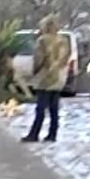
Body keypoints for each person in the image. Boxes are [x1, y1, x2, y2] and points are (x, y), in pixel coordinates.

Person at [21, 14, 71, 142]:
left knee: (41, 108)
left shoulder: (42, 40)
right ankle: (52, 134)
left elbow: (39, 59)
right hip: (58, 77)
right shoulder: (63, 40)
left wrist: (34, 72)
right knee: (54, 109)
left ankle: (34, 133)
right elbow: (66, 58)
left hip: (45, 77)